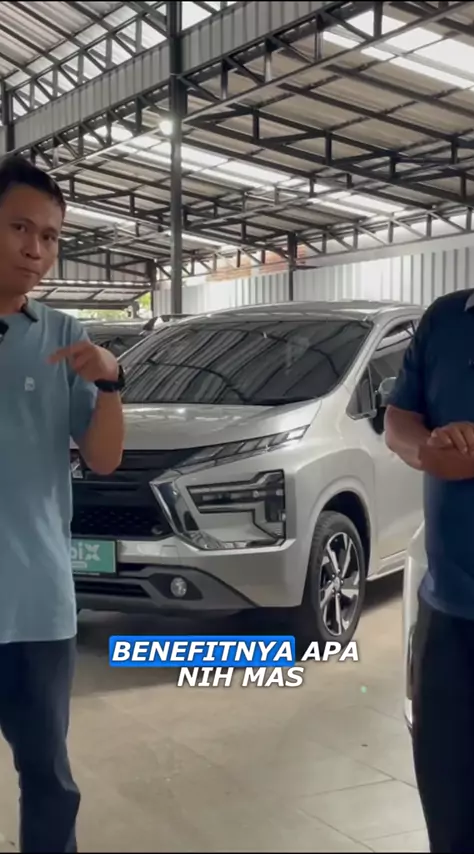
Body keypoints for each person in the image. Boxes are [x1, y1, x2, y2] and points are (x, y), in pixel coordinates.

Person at [0, 154, 124, 852]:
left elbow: (103, 458)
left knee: (48, 777)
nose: (36, 250)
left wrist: (110, 384)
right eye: (20, 228)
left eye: (49, 236)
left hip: (37, 604)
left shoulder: (63, 336)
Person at [385, 288, 474, 853]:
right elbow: (399, 418)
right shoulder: (446, 319)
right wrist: (427, 449)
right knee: (450, 810)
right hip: (448, 616)